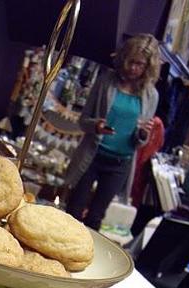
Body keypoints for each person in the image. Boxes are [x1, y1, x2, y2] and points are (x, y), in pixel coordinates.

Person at [64, 34, 161, 231]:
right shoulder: (106, 82)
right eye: (131, 62)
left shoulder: (151, 95)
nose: (134, 68)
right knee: (73, 211)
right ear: (124, 59)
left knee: (96, 218)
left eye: (140, 64)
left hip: (120, 164)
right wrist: (96, 126)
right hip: (92, 156)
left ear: (148, 67)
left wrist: (143, 133)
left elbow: (141, 141)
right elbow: (83, 121)